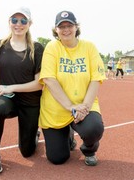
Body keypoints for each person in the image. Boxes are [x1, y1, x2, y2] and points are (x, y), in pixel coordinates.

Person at [38, 10, 105, 166]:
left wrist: (84, 108)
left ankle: (89, 150)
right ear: (56, 30)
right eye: (62, 26)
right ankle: (68, 134)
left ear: (76, 27)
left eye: (70, 25)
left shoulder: (89, 47)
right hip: (57, 108)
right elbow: (49, 78)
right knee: (57, 158)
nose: (66, 29)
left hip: (83, 104)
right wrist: (71, 107)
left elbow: (96, 79)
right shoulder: (52, 47)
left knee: (93, 128)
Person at [0, 7, 44, 175]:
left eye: (23, 21)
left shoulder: (37, 48)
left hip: (30, 102)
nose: (19, 24)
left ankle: (34, 135)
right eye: (15, 20)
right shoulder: (0, 46)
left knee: (27, 152)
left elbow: (39, 84)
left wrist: (10, 87)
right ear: (9, 22)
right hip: (8, 98)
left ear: (30, 24)